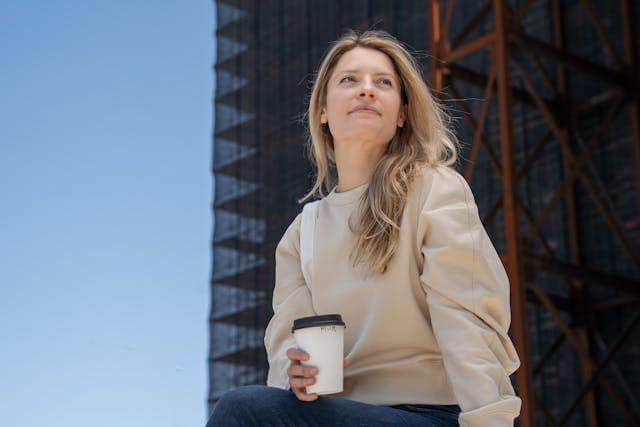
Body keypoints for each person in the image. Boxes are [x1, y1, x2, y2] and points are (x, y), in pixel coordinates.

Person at [206, 29, 522, 427]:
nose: (367, 90)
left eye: (383, 83)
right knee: (251, 409)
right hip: (343, 414)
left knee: (239, 409)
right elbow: (285, 357)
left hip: (432, 415)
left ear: (402, 114)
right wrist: (296, 377)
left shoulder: (435, 190)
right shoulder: (301, 235)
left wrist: (489, 422)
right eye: (349, 80)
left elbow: (467, 326)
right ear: (323, 110)